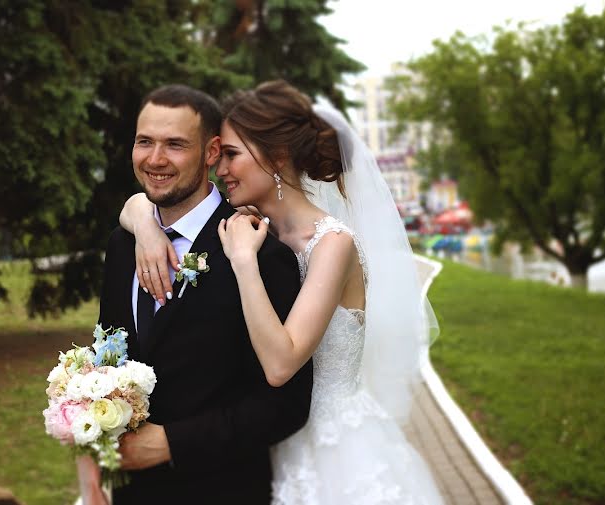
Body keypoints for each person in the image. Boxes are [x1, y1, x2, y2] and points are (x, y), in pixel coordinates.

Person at [121, 80, 444, 504]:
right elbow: (142, 203)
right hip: (264, 449)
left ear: (275, 157)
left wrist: (243, 262)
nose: (221, 169)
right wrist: (144, 223)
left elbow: (279, 364)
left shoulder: (333, 243)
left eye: (233, 155)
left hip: (334, 453)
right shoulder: (254, 224)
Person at [83, 84, 314, 505]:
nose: (155, 159)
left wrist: (171, 442)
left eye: (174, 145)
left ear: (210, 153)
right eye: (144, 142)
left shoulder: (261, 254)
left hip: (223, 490)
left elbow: (286, 406)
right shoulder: (122, 244)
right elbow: (106, 357)